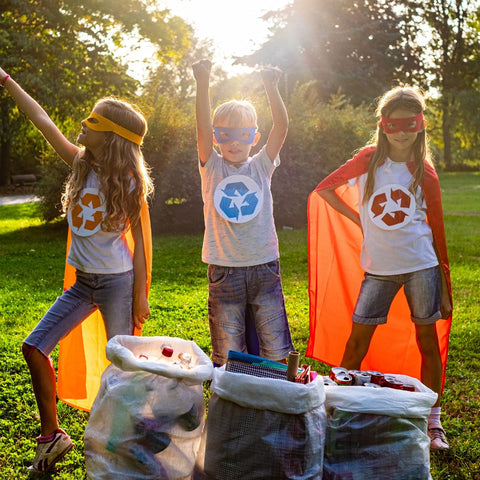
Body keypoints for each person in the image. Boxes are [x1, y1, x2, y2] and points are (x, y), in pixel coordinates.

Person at [0, 68, 153, 471]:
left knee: (124, 367)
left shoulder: (131, 184)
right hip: (82, 285)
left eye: (93, 121)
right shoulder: (80, 165)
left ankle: (135, 435)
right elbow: (41, 120)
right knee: (34, 348)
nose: (84, 125)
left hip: (117, 284)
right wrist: (7, 82)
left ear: (112, 137)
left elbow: (140, 246)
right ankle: (52, 437)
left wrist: (140, 295)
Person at [308, 86, 452, 450]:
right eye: (393, 124)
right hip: (379, 270)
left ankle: (433, 421)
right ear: (382, 125)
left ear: (420, 125)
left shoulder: (426, 173)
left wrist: (446, 289)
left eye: (409, 123)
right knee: (357, 340)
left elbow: (437, 231)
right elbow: (325, 189)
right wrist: (358, 219)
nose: (401, 131)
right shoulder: (368, 161)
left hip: (422, 266)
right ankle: (334, 409)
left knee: (427, 342)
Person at [192, 59, 294, 367]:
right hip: (225, 271)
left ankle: (282, 405)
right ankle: (232, 411)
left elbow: (282, 126)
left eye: (243, 135)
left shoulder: (261, 165)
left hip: (264, 268)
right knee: (227, 354)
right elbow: (200, 125)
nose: (234, 143)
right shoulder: (212, 166)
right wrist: (202, 82)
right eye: (225, 135)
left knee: (277, 351)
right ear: (214, 137)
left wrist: (271, 87)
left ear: (255, 137)